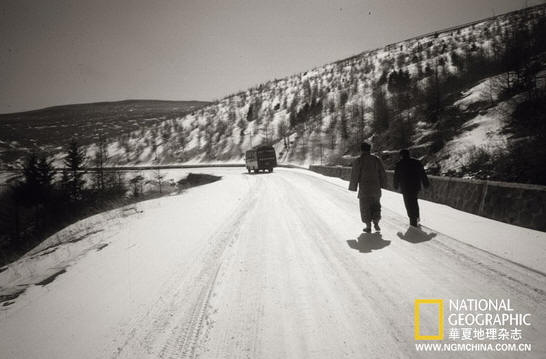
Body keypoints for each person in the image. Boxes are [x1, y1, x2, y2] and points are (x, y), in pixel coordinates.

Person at [349, 142, 387, 233]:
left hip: (364, 189)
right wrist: (384, 185)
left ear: (361, 150)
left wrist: (353, 187)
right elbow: (382, 173)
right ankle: (376, 223)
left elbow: (355, 174)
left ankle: (368, 226)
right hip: (376, 188)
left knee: (365, 207)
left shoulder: (359, 160)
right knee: (376, 206)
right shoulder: (376, 159)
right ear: (370, 149)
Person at [393, 149, 430, 227]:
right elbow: (422, 173)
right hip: (415, 186)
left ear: (401, 156)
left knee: (408, 203)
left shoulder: (399, 164)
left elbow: (396, 176)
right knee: (414, 201)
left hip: (405, 187)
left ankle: (412, 219)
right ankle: (416, 216)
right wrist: (425, 183)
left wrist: (395, 185)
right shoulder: (416, 162)